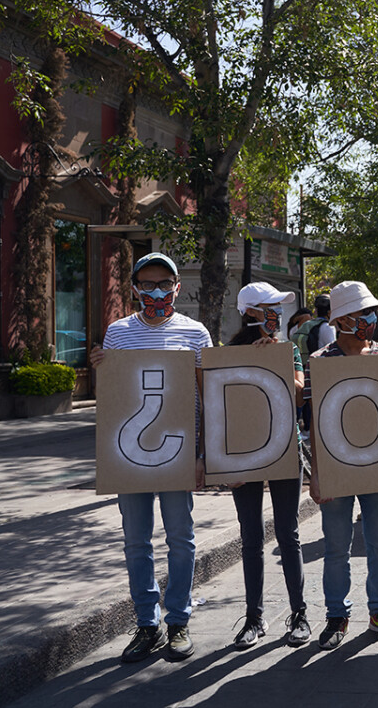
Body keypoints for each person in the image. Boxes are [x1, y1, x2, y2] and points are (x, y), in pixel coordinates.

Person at [90, 252, 212, 663]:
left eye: (164, 283)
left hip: (179, 452)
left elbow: (206, 395)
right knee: (135, 541)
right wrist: (99, 370)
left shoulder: (196, 333)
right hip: (128, 455)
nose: (156, 291)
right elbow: (113, 396)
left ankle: (178, 620)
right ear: (135, 288)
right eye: (147, 284)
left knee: (181, 538)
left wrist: (201, 454)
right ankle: (147, 623)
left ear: (177, 287)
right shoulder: (118, 333)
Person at [307, 280, 378, 649]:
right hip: (336, 466)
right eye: (362, 314)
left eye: (371, 312)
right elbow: (316, 425)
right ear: (341, 319)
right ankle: (337, 617)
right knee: (336, 546)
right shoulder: (319, 362)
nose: (370, 318)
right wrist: (317, 475)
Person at [226, 282, 309, 648]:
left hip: (283, 447)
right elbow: (220, 405)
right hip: (243, 452)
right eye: (270, 307)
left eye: (279, 307)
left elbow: (298, 393)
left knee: (288, 533)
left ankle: (300, 614)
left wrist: (274, 359)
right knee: (251, 537)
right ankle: (254, 618)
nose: (277, 313)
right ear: (250, 313)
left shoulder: (287, 349)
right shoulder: (227, 352)